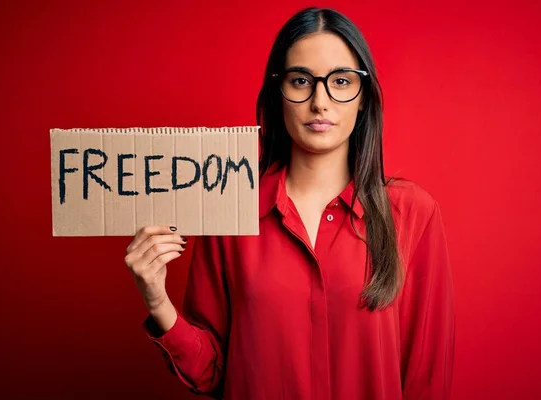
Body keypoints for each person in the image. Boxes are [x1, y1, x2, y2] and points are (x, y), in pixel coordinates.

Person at [124, 7, 455, 400]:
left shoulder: (412, 213)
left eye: (341, 81)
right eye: (301, 81)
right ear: (278, 94)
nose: (320, 101)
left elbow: (426, 378)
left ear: (363, 98)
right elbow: (212, 372)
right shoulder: (229, 210)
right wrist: (157, 300)